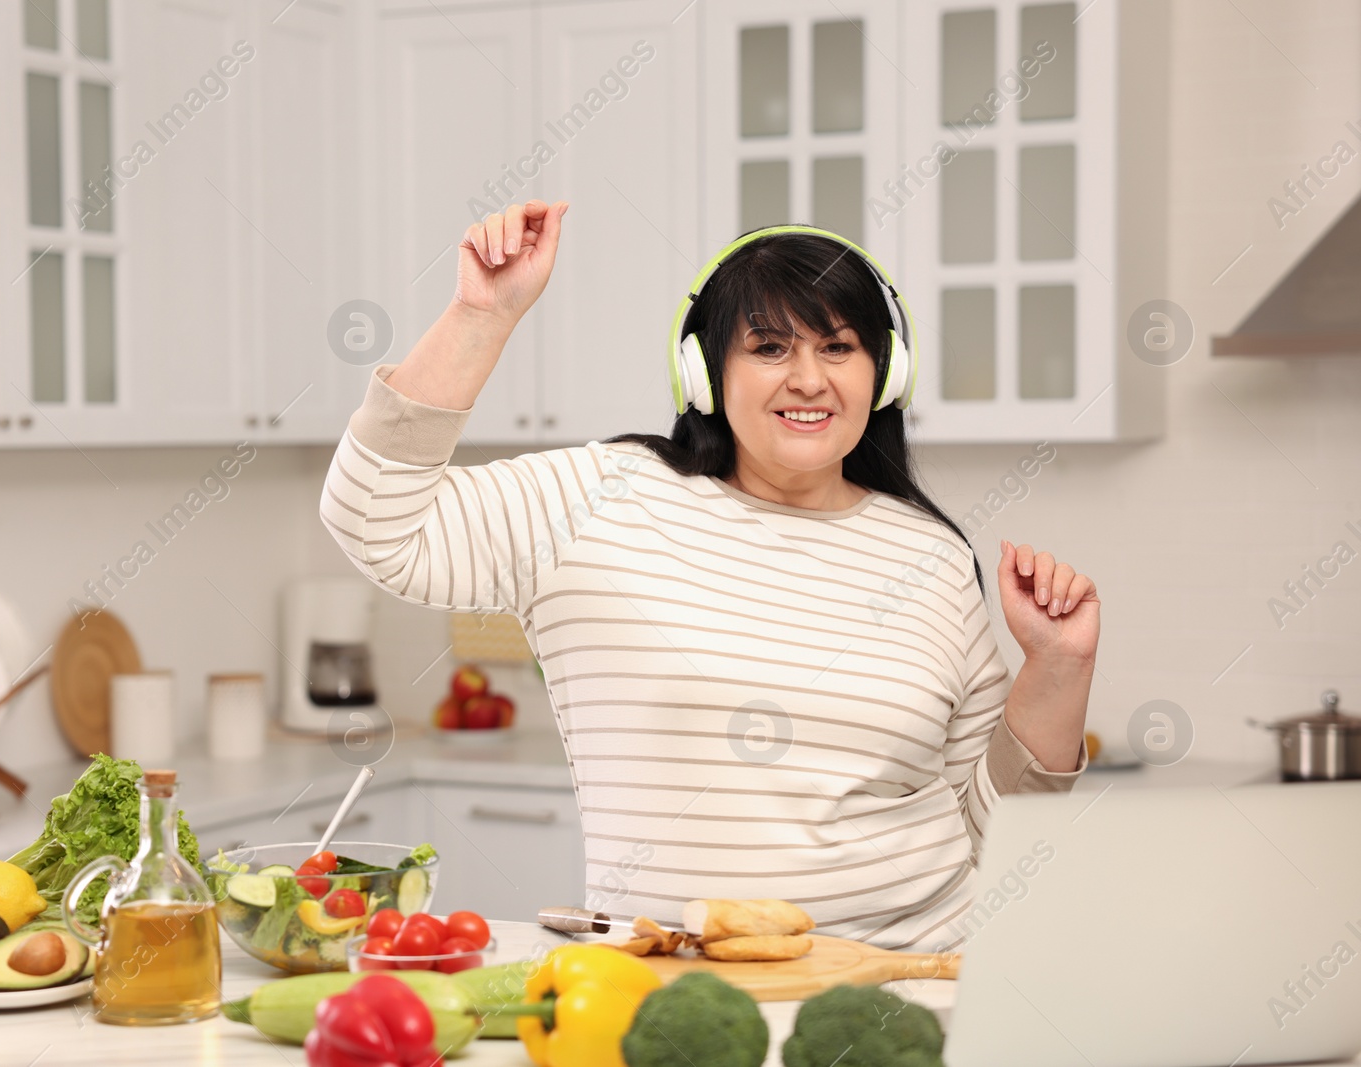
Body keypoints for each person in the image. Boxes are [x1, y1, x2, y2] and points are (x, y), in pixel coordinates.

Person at [320, 199, 1098, 952]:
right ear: (702, 374)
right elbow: (373, 521)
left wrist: (1060, 666)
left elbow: (989, 825)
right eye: (768, 348)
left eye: (838, 347)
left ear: (885, 374)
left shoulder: (928, 556)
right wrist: (479, 318)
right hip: (675, 993)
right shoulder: (598, 500)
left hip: (910, 980)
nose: (808, 379)